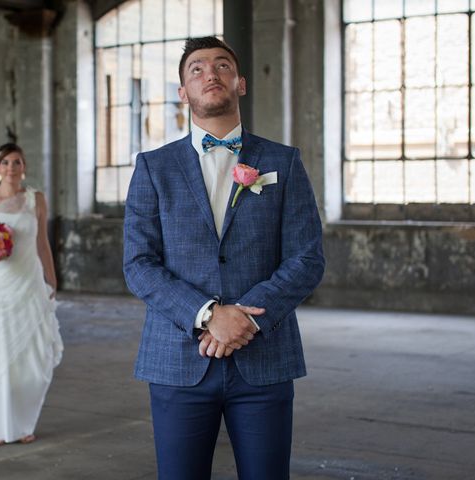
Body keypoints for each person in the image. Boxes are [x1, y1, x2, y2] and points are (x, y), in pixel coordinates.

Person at [123, 37, 325, 479]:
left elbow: (307, 257)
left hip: (265, 359)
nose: (210, 74)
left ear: (241, 83)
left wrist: (247, 318)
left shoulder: (282, 162)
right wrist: (209, 315)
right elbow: (138, 264)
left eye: (222, 66)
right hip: (177, 360)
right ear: (182, 92)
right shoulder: (153, 167)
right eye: (195, 69)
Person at [0, 143, 63, 446]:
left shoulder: (35, 199)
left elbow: (42, 243)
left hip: (28, 281)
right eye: (6, 163)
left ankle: (25, 423)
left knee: (33, 356)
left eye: (17, 162)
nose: (12, 167)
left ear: (24, 167)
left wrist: (51, 277)